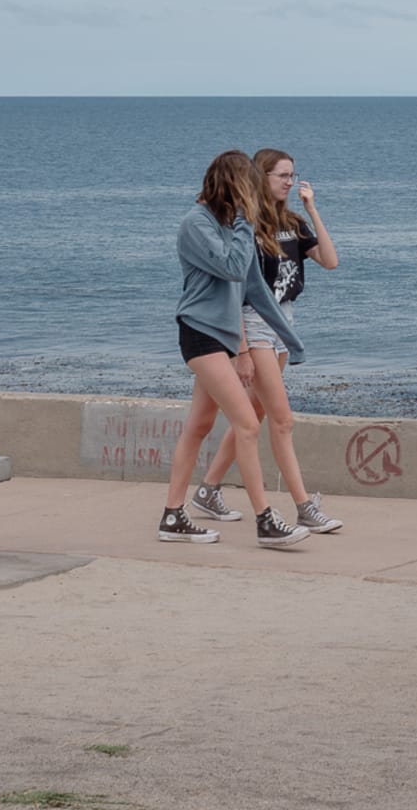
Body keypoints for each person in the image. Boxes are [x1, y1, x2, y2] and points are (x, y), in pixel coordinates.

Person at [157, 150, 310, 549]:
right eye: (248, 188)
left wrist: (291, 343)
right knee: (246, 423)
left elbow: (256, 291)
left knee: (199, 426)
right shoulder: (198, 224)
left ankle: (173, 515)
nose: (254, 196)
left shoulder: (228, 225)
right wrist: (245, 220)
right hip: (200, 333)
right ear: (232, 185)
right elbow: (231, 267)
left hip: (221, 338)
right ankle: (265, 520)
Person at [188, 148, 343, 535]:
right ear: (262, 177)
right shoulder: (248, 226)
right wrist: (240, 347)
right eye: (282, 176)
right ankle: (303, 506)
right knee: (281, 419)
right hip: (255, 323)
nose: (290, 182)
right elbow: (236, 290)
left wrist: (312, 210)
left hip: (282, 322)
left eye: (293, 175)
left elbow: (330, 260)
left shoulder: (291, 222)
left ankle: (207, 490)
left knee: (253, 415)